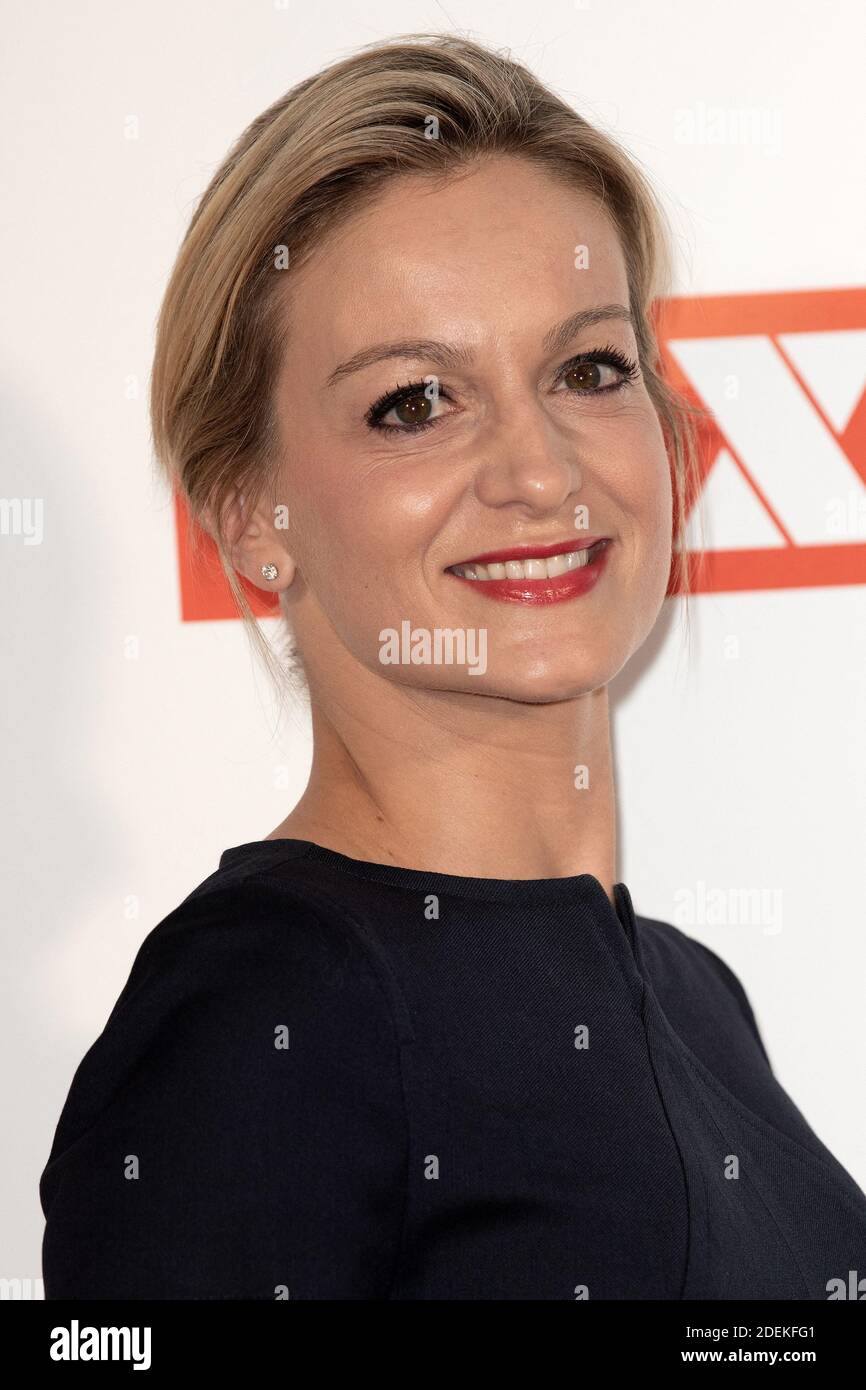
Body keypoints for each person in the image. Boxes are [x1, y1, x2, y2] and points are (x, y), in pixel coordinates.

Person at [39, 32, 866, 1300]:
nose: (540, 471)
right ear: (250, 514)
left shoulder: (702, 1002)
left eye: (589, 369)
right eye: (416, 401)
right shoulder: (260, 1017)